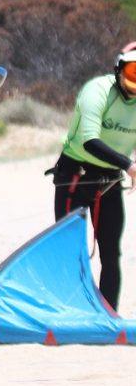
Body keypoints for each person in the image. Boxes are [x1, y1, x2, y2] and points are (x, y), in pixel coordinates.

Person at [48, 43, 136, 310]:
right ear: (118, 70)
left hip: (109, 182)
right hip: (76, 176)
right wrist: (129, 166)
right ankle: (67, 310)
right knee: (68, 250)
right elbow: (89, 141)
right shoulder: (97, 90)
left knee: (111, 254)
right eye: (132, 72)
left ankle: (108, 316)